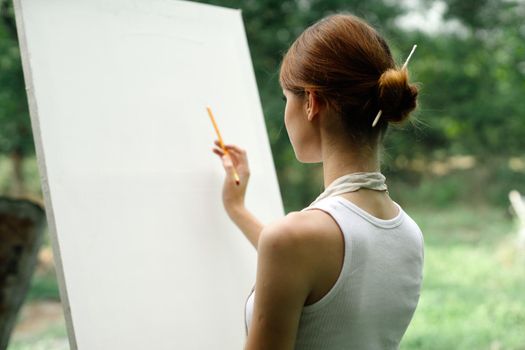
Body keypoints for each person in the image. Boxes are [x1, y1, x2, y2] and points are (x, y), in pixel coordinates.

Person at [211, 12, 424, 350]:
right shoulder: (409, 234)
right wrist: (237, 209)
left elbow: (301, 255)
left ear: (311, 102)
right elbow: (320, 271)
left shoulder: (296, 240)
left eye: (286, 98)